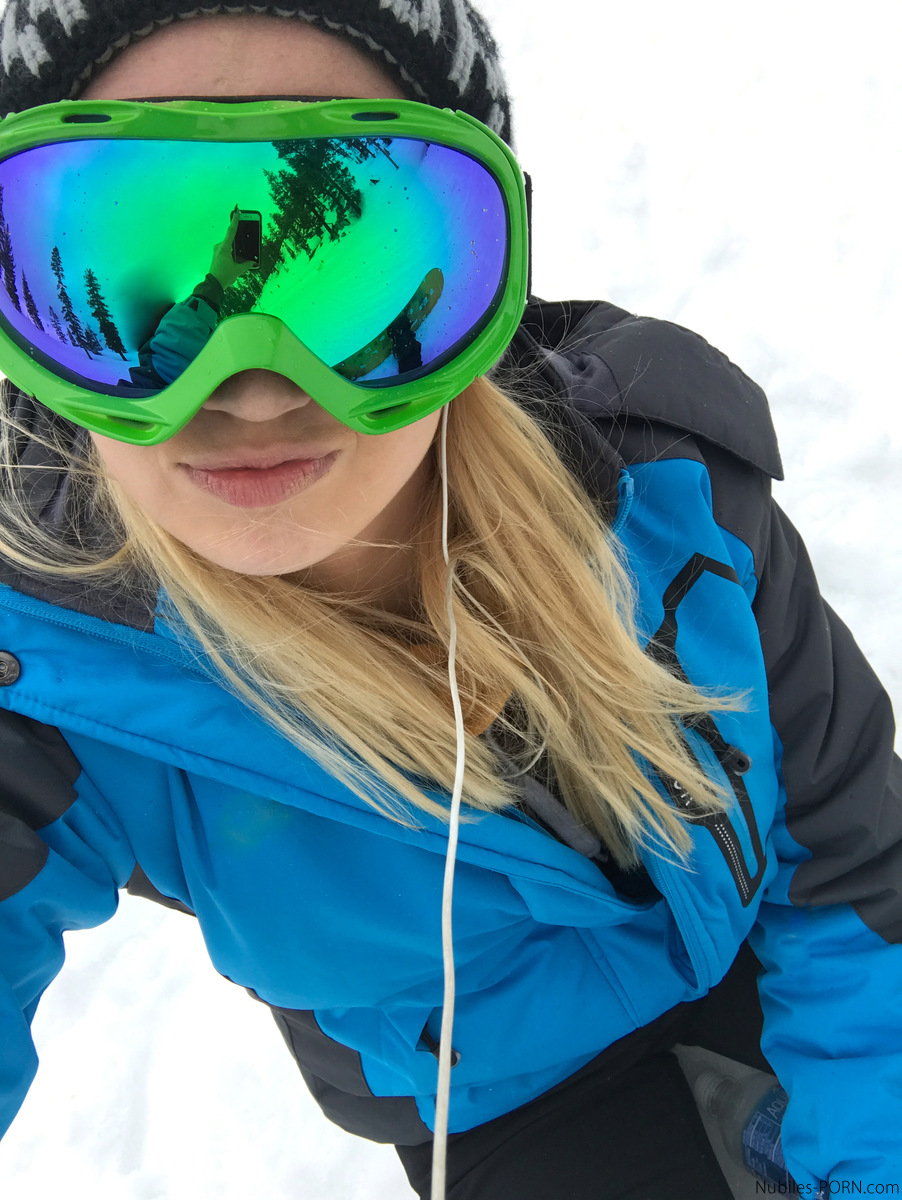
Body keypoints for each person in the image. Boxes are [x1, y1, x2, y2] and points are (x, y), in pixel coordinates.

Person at [0, 3, 899, 1199]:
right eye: (127, 275)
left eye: (344, 260)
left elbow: (849, 855)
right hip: (508, 1109)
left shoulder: (668, 485)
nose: (251, 388)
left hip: (780, 957)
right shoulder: (48, 681)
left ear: (482, 281)